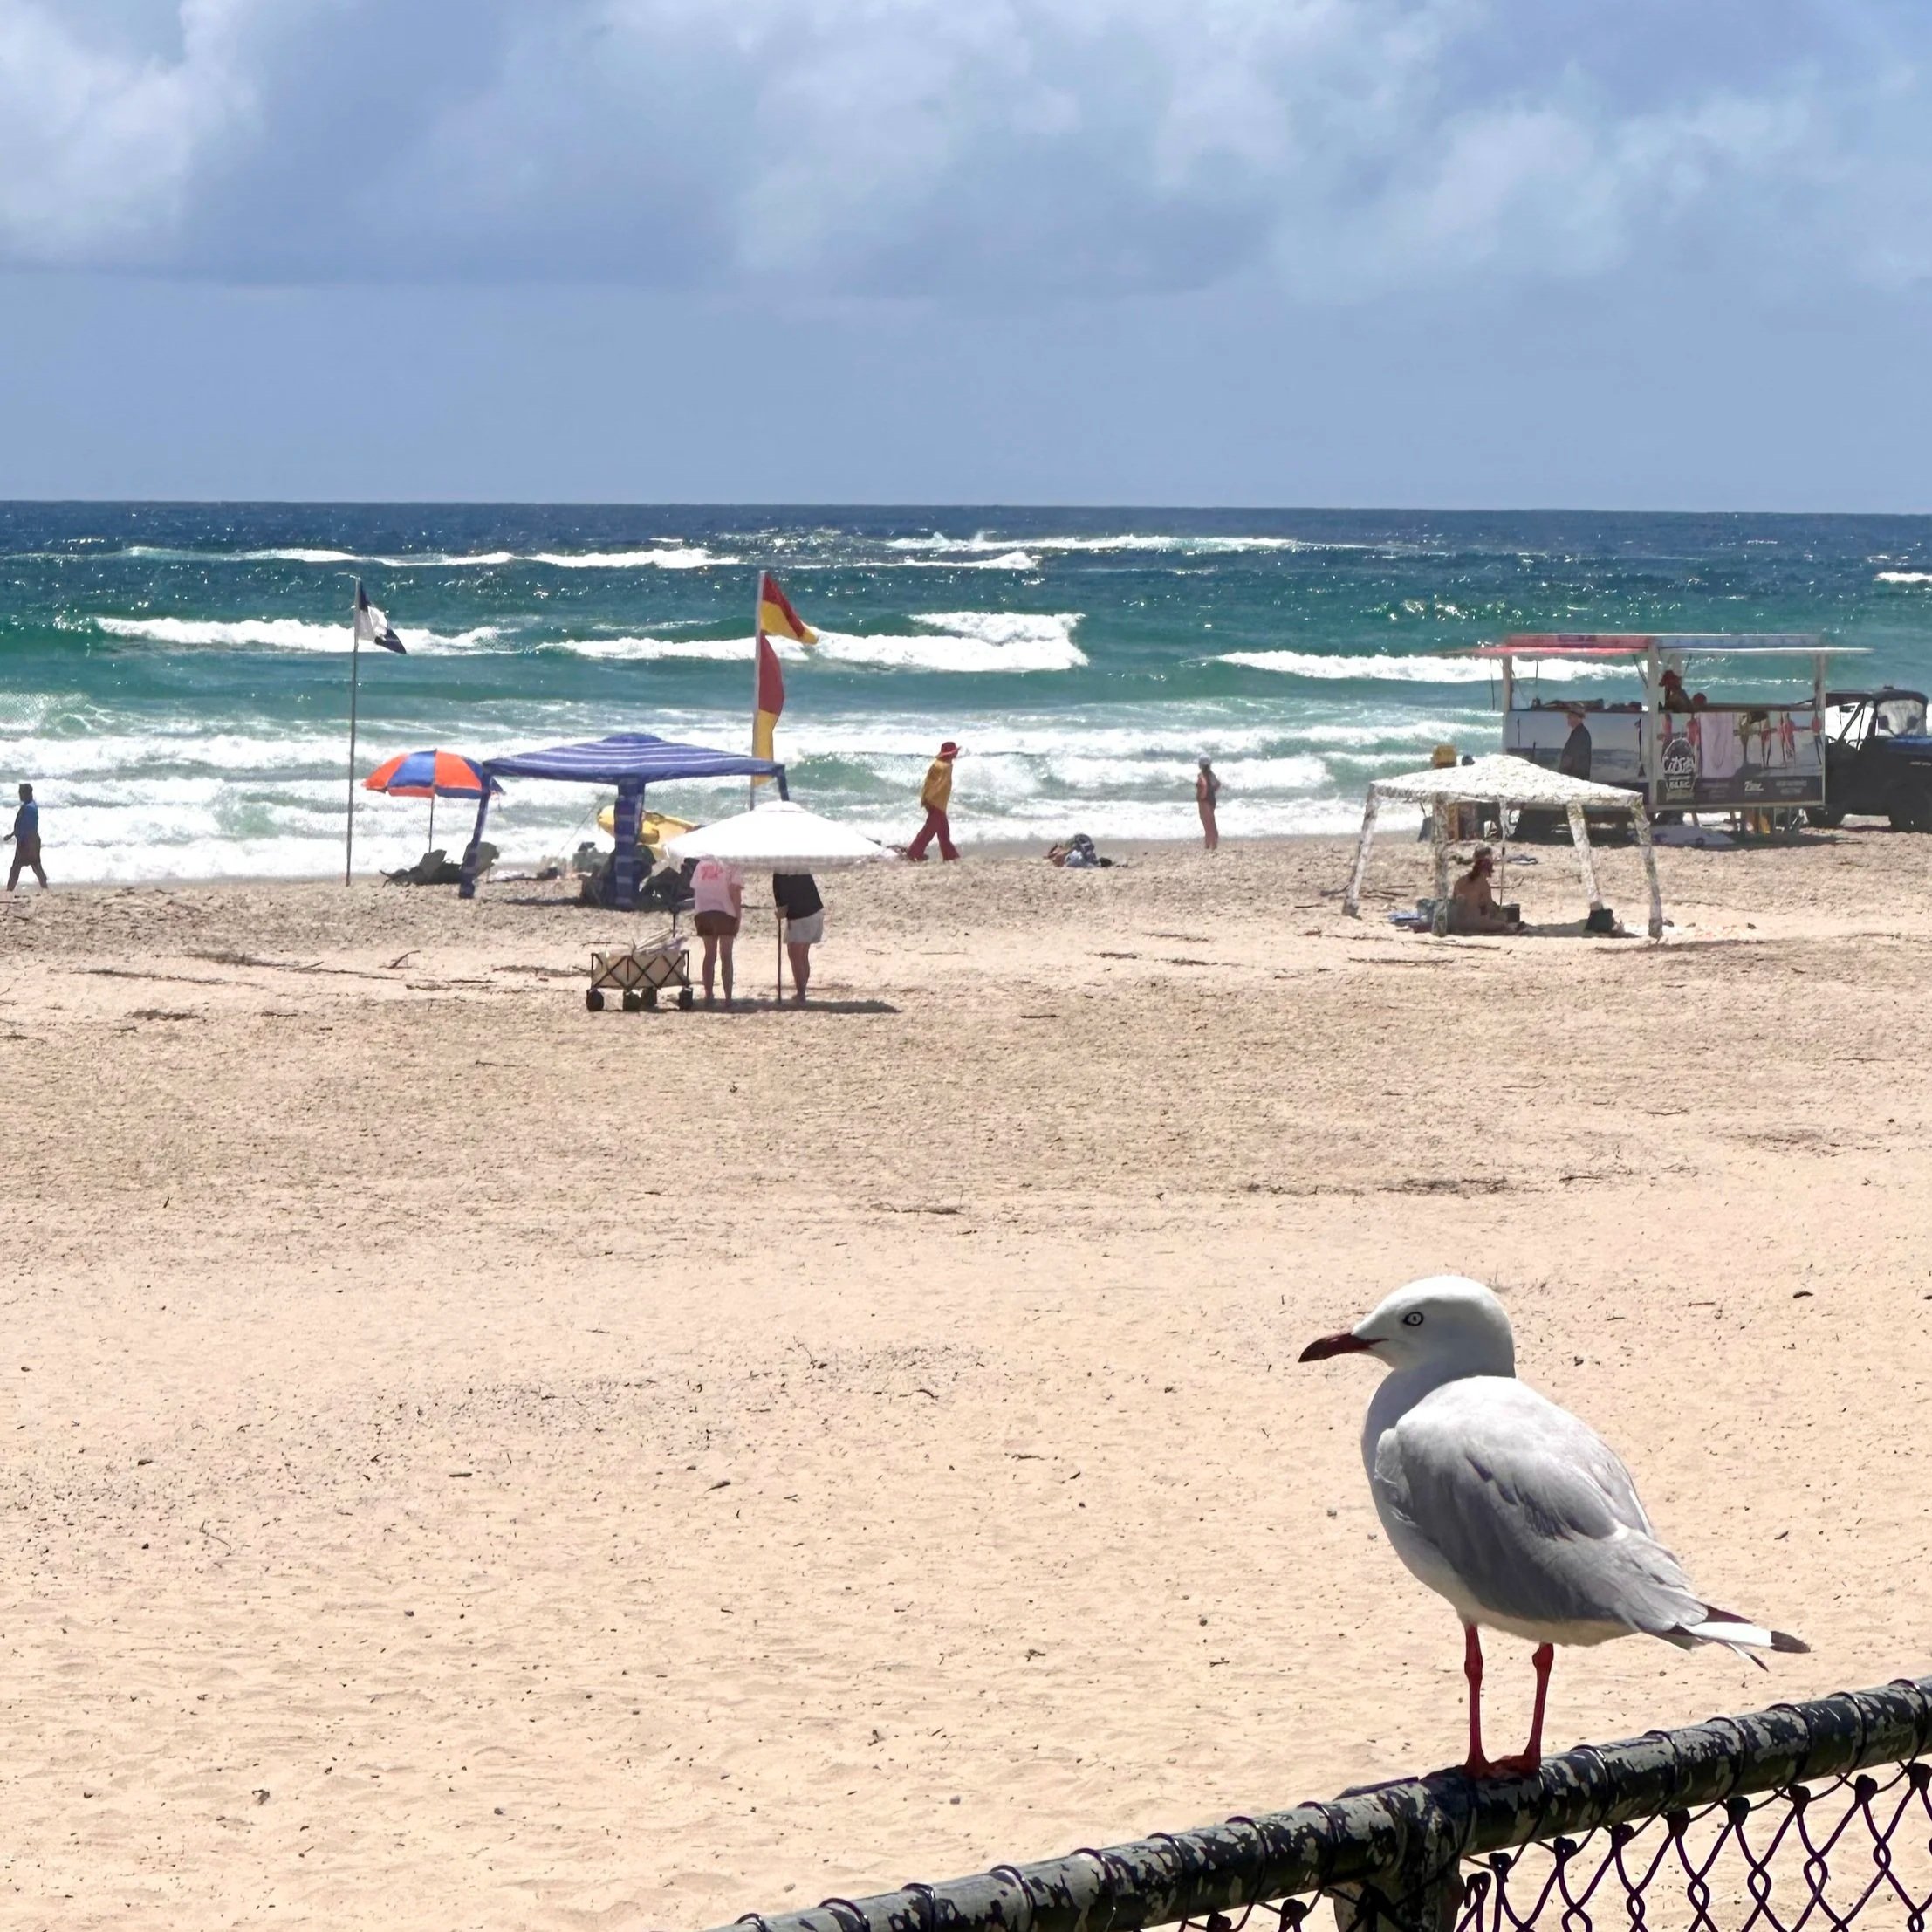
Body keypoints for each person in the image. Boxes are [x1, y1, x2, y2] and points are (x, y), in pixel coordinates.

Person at [690, 853, 743, 1004]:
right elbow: (735, 894)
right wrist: (738, 917)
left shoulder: (700, 865)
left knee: (709, 955)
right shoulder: (731, 864)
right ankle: (728, 997)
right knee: (726, 956)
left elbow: (696, 890)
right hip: (725, 913)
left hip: (704, 912)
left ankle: (709, 994)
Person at [773, 871, 823, 1004]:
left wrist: (779, 914)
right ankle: (802, 991)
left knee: (795, 956)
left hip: (800, 915)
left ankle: (801, 994)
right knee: (803, 955)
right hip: (815, 910)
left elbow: (782, 908)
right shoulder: (800, 864)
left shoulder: (780, 874)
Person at [906, 741, 960, 861]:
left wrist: (926, 800)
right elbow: (939, 787)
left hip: (934, 802)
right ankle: (913, 852)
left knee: (943, 832)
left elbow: (930, 784)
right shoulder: (946, 767)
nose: (956, 754)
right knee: (929, 831)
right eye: (954, 752)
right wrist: (933, 803)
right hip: (937, 804)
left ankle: (949, 855)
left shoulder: (939, 764)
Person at [1447, 846, 1519, 935]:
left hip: (1457, 922)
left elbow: (1454, 899)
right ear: (1484, 871)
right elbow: (1490, 906)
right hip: (1474, 922)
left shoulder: (1461, 880)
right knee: (1502, 922)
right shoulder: (1483, 885)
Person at [5, 783, 46, 891]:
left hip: (27, 842)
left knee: (17, 867)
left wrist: (22, 840)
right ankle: (45, 886)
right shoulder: (32, 806)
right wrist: (12, 835)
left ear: (26, 793)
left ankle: (9, 889)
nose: (19, 795)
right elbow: (22, 825)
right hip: (33, 840)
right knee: (36, 865)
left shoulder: (27, 808)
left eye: (21, 793)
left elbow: (26, 827)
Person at [1559, 708, 1593, 781]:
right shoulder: (1579, 733)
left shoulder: (1580, 734)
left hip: (1576, 776)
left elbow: (1571, 755)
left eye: (1570, 717)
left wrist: (1561, 774)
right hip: (1577, 775)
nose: (1568, 719)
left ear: (1578, 719)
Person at [1196, 757, 1222, 850]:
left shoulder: (1201, 776)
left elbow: (1204, 786)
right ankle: (1211, 844)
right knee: (1211, 823)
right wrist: (1212, 791)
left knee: (1207, 823)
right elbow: (1218, 784)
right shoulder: (1211, 775)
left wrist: (1201, 797)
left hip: (1204, 801)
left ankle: (1210, 845)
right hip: (1211, 800)